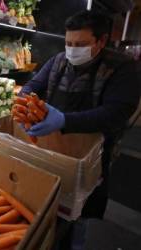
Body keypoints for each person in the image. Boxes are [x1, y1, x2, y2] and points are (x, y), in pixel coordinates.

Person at [20, 10, 140, 219]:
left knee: (79, 210)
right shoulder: (58, 61)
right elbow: (33, 85)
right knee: (47, 201)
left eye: (80, 45)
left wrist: (65, 120)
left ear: (101, 41)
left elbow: (116, 114)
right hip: (53, 143)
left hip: (91, 151)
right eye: (69, 44)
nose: (72, 51)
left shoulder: (123, 68)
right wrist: (23, 107)